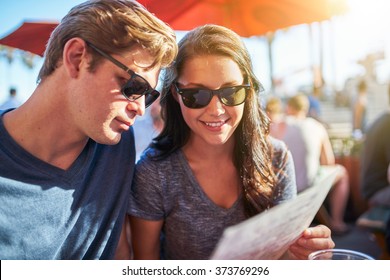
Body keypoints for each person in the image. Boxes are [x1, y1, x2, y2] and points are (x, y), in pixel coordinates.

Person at [128, 24, 335, 260]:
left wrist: (306, 251)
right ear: (176, 94)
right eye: (197, 95)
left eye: (231, 92)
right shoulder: (154, 171)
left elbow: (283, 259)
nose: (216, 110)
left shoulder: (276, 157)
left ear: (248, 92)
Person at [0, 0, 177, 260]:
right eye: (134, 86)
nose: (140, 109)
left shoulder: (117, 144)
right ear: (77, 57)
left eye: (147, 95)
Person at [266, 94, 350, 235]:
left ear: (289, 107)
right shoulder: (317, 126)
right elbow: (328, 162)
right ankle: (337, 222)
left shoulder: (277, 125)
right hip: (310, 187)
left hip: (280, 189)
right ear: (305, 109)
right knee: (342, 172)